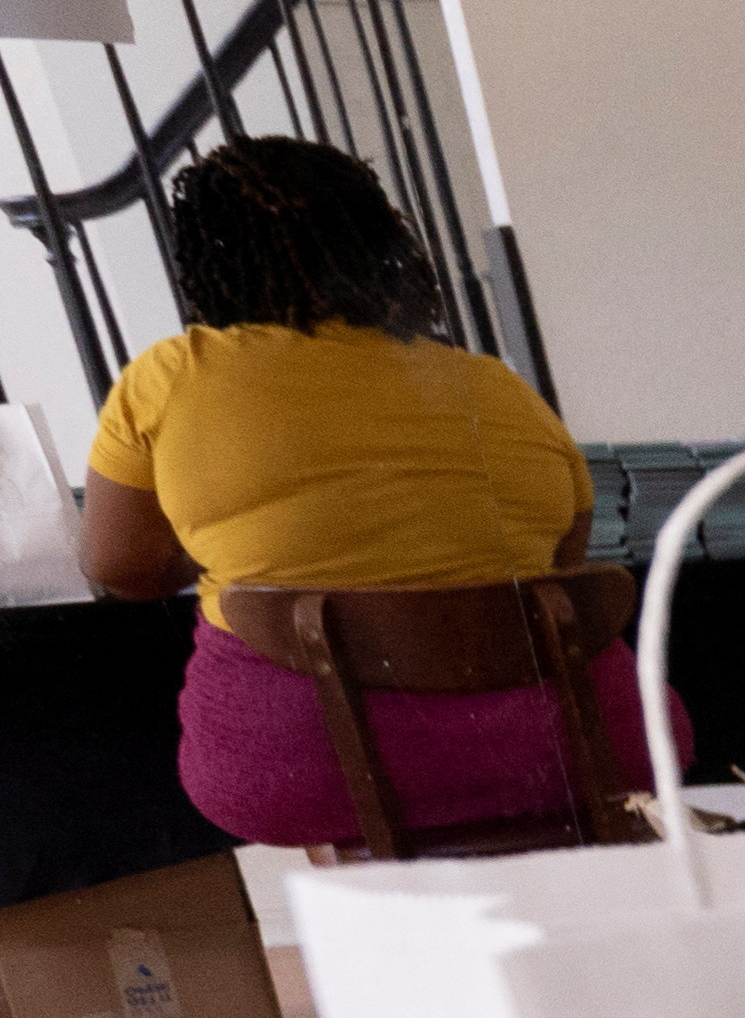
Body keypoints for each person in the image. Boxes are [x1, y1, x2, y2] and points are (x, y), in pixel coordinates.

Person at [76, 139, 679, 847]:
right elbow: (559, 561)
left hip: (301, 764)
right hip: (580, 746)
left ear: (204, 264)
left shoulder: (172, 377)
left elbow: (119, 568)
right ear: (385, 240)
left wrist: (230, 556)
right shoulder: (495, 386)